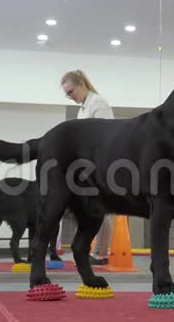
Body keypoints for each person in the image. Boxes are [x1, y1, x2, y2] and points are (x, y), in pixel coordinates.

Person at [61, 69, 115, 266]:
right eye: (66, 94)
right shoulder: (83, 108)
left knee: (100, 208)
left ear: (81, 84)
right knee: (90, 208)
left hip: (100, 163)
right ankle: (92, 250)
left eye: (71, 91)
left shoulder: (98, 103)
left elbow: (106, 135)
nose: (69, 96)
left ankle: (101, 253)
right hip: (86, 163)